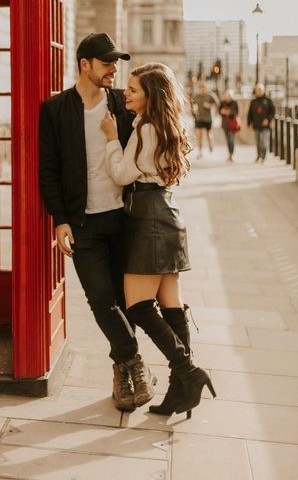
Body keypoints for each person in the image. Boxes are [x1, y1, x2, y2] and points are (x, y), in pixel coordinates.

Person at [39, 33, 157, 412]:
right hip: (84, 223)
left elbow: (160, 128)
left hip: (124, 219)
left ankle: (122, 374)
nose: (114, 69)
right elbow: (49, 169)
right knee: (101, 300)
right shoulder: (56, 109)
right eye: (107, 63)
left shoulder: (124, 104)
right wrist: (60, 221)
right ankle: (135, 363)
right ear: (84, 65)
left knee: (125, 302)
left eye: (116, 63)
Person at [100, 63, 216, 418]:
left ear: (151, 95)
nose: (126, 94)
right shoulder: (166, 126)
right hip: (166, 213)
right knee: (171, 307)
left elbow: (121, 174)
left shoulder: (145, 128)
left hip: (147, 217)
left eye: (133, 89)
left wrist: (109, 139)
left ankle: (188, 372)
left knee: (138, 307)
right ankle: (181, 390)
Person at [247, 83, 275, 163]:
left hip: (265, 126)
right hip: (256, 124)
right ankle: (258, 155)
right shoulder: (253, 101)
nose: (258, 92)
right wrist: (249, 123)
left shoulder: (268, 101)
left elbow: (272, 112)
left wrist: (268, 119)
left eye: (260, 90)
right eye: (257, 90)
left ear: (263, 91)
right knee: (258, 142)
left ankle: (263, 156)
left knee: (264, 142)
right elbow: (250, 113)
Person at [192, 82, 219, 158]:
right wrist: (193, 110)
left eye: (203, 88)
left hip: (208, 118)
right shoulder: (196, 96)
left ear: (206, 88)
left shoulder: (210, 95)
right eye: (200, 88)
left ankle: (210, 145)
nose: (202, 89)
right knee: (199, 135)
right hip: (198, 118)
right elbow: (193, 104)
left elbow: (217, 104)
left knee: (208, 134)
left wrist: (209, 106)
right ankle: (200, 151)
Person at [219, 89, 240, 162]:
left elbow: (236, 112)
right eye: (227, 96)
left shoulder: (234, 103)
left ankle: (231, 154)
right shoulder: (222, 102)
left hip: (232, 124)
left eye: (229, 96)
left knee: (231, 139)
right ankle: (229, 154)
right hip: (225, 124)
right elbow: (219, 111)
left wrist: (229, 112)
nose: (228, 97)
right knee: (228, 140)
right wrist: (222, 112)